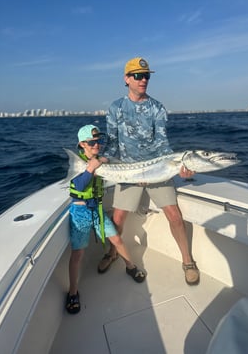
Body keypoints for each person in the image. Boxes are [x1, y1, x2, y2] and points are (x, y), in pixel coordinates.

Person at [98, 57, 200, 285]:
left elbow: (163, 144)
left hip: (157, 169)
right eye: (138, 75)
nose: (143, 80)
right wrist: (100, 160)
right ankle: (113, 252)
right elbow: (112, 143)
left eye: (146, 76)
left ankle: (187, 260)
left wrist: (180, 167)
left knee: (174, 215)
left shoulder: (157, 107)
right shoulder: (115, 108)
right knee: (118, 217)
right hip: (128, 171)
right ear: (126, 79)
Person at [66, 124, 146, 315]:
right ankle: (73, 292)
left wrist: (137, 179)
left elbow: (117, 176)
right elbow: (78, 185)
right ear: (82, 144)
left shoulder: (101, 161)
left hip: (98, 211)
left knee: (117, 239)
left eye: (98, 141)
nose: (96, 145)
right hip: (80, 213)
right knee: (78, 254)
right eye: (92, 142)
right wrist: (90, 169)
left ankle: (130, 266)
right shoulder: (80, 163)